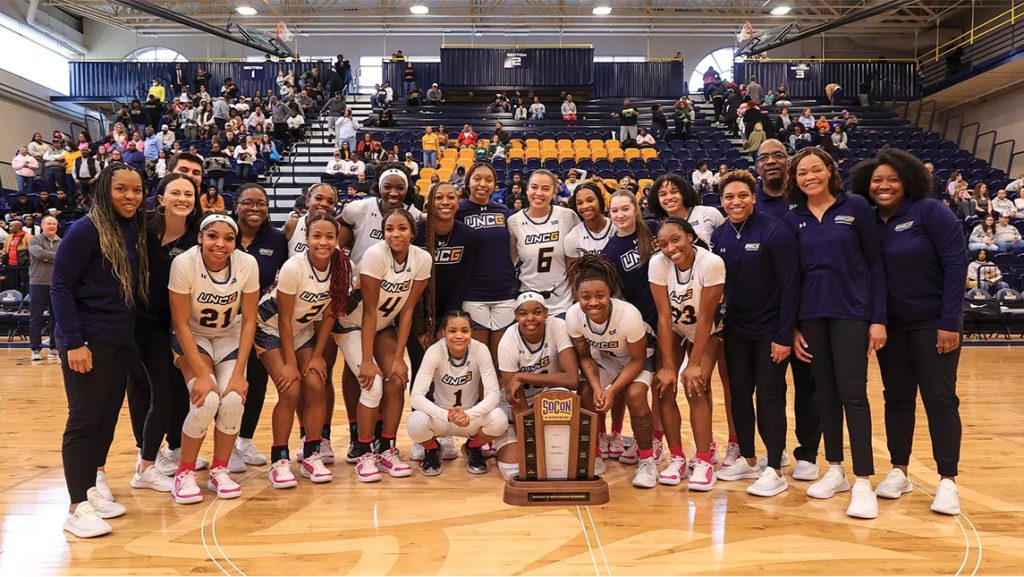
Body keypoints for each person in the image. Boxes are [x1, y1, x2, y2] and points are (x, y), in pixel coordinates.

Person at [848, 148, 966, 515]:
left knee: (939, 399)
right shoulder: (869, 220)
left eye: (892, 179)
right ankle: (899, 471)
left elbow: (956, 265)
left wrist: (950, 322)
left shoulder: (930, 211)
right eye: (877, 181)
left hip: (933, 323)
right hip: (891, 326)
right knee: (897, 398)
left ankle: (948, 480)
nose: (883, 186)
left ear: (908, 181)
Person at [784, 147, 886, 519]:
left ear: (829, 170)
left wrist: (878, 319)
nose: (809, 177)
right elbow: (791, 276)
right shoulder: (793, 217)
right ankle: (836, 469)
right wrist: (792, 326)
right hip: (812, 315)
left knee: (853, 394)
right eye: (802, 173)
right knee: (824, 393)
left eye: (815, 169)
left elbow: (875, 263)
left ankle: (863, 480)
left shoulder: (855, 207)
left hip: (852, 313)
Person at [52, 163, 149, 538]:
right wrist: (73, 341)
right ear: (105, 190)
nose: (130, 196)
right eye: (121, 189)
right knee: (84, 420)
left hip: (119, 340)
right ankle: (76, 507)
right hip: (88, 340)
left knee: (106, 418)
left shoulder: (131, 228)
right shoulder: (85, 230)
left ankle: (91, 489)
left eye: (136, 190)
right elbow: (60, 286)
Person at [709, 170, 799, 496]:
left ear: (753, 197)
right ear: (721, 201)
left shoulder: (776, 230)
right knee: (739, 394)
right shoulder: (719, 236)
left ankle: (774, 466)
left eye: (742, 196)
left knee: (770, 396)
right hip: (736, 331)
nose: (736, 202)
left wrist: (784, 335)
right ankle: (748, 459)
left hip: (770, 331)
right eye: (729, 197)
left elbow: (791, 286)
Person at [166, 214, 259, 504]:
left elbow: (249, 320)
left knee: (232, 399)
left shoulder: (247, 263)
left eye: (229, 238)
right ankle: (184, 472)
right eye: (212, 236)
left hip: (229, 335)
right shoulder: (184, 263)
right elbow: (180, 323)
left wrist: (240, 373)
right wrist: (201, 374)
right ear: (200, 238)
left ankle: (220, 469)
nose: (220, 243)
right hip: (193, 336)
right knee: (206, 400)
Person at [335, 209, 430, 482]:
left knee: (397, 379)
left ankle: (387, 448)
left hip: (384, 325)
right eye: (389, 229)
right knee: (372, 384)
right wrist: (367, 360)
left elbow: (408, 310)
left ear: (413, 232)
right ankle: (364, 452)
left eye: (402, 229)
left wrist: (399, 357)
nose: (395, 234)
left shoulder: (422, 259)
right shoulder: (375, 255)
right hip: (352, 324)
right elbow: (368, 311)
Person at [258, 213, 352, 488]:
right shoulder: (293, 267)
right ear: (306, 238)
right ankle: (279, 459)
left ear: (337, 239)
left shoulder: (342, 267)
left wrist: (317, 355)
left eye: (330, 237)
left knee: (315, 383)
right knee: (291, 389)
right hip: (270, 327)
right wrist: (290, 363)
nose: (323, 242)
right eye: (317, 236)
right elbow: (284, 320)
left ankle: (311, 454)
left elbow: (331, 314)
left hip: (302, 330)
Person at [133, 169, 205, 488]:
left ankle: (171, 451)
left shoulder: (197, 236)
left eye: (188, 194)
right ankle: (145, 463)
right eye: (175, 193)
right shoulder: (141, 228)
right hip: (136, 322)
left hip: (174, 324)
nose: (182, 199)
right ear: (160, 199)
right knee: (152, 391)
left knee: (174, 391)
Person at [755, 140, 822, 481]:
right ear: (757, 166)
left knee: (809, 385)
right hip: (770, 314)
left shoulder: (808, 200)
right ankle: (774, 448)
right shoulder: (752, 204)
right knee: (769, 389)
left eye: (778, 155)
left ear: (790, 163)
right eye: (763, 157)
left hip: (809, 310)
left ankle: (808, 453)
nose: (770, 161)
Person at [566, 255, 656, 487]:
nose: (593, 302)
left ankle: (647, 461)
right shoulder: (573, 315)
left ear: (610, 294)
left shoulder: (628, 315)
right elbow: (585, 356)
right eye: (586, 297)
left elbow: (637, 360)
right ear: (577, 296)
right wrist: (598, 388)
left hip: (639, 356)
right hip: (606, 357)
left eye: (600, 296)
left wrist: (612, 390)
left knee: (635, 395)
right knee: (587, 393)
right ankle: (594, 453)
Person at [407, 310, 508, 475]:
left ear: (471, 332)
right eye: (452, 331)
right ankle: (432, 449)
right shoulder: (435, 351)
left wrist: (469, 414)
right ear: (443, 332)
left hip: (469, 418)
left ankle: (473, 447)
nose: (459, 336)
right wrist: (445, 415)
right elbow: (416, 397)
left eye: (465, 330)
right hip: (441, 418)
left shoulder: (480, 349)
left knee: (499, 419)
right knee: (415, 423)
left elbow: (494, 394)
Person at [230, 184, 288, 471]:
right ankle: (227, 444)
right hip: (224, 322)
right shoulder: (224, 233)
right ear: (236, 206)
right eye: (248, 203)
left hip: (260, 322)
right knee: (228, 384)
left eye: (261, 203)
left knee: (256, 381)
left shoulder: (276, 239)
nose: (255, 208)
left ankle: (244, 440)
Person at [492, 292, 580, 479]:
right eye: (523, 314)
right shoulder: (508, 340)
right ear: (516, 316)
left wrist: (523, 376)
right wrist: (531, 444)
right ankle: (505, 441)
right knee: (513, 471)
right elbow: (516, 399)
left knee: (560, 395)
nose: (530, 318)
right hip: (518, 407)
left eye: (537, 312)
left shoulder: (558, 326)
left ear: (546, 313)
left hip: (548, 398)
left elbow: (572, 379)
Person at [457, 163, 519, 361]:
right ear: (468, 183)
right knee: (479, 360)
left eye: (488, 180)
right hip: (473, 294)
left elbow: (513, 249)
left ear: (494, 185)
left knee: (501, 360)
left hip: (504, 292)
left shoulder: (503, 211)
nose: (483, 184)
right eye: (477, 179)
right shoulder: (458, 210)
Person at [508, 170, 581, 316]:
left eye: (546, 189)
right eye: (534, 187)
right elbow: (513, 258)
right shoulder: (514, 221)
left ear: (554, 192)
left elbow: (578, 257)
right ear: (526, 189)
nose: (539, 193)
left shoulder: (567, 216)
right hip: (528, 300)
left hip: (563, 302)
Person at [27, 215, 60, 361]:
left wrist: (48, 257)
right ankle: (36, 349)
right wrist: (57, 256)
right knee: (36, 317)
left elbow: (66, 257)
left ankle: (54, 347)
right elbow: (38, 253)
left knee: (57, 317)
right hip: (38, 283)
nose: (51, 226)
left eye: (54, 223)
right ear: (42, 226)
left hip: (57, 285)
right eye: (49, 223)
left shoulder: (62, 241)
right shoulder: (34, 239)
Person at [564, 183, 614, 266]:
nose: (585, 206)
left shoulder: (617, 229)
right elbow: (573, 272)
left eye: (590, 200)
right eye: (580, 203)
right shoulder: (572, 237)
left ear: (600, 200)